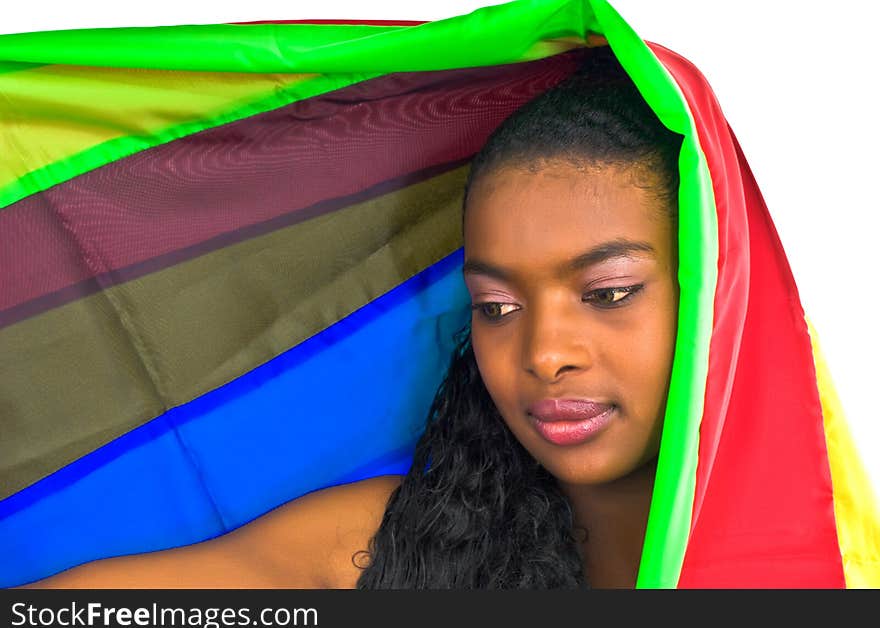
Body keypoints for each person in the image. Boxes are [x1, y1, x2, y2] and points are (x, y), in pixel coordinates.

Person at [20, 46, 681, 589]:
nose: (543, 353)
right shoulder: (403, 553)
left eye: (608, 293)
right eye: (496, 307)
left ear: (713, 290)